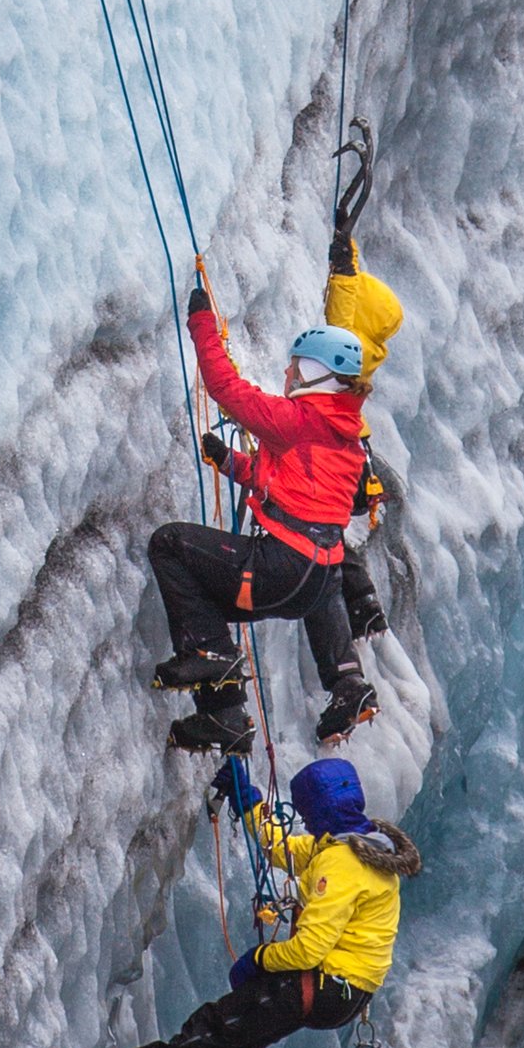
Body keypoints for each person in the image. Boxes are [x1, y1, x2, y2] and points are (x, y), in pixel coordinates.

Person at [83, 751, 413, 1048]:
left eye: (307, 811)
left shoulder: (343, 863)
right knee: (225, 1045)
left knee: (212, 1030)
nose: (304, 819)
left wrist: (258, 960)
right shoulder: (357, 847)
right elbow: (282, 850)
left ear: (323, 808)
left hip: (324, 984)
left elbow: (309, 949)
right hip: (342, 994)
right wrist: (249, 801)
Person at [149, 271, 369, 752]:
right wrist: (232, 464)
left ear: (314, 374)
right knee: (201, 595)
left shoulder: (298, 421)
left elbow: (226, 388)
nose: (288, 375)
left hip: (280, 567)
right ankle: (224, 716)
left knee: (169, 545)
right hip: (314, 585)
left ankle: (213, 659)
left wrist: (201, 322)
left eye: (296, 368)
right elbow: (294, 492)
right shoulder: (347, 440)